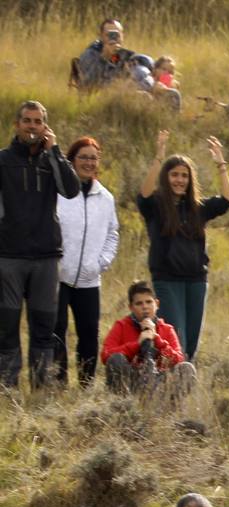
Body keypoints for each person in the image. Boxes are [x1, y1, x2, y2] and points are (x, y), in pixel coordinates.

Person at [0, 102, 82, 390]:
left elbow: (71, 191)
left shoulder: (53, 161)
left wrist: (55, 152)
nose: (32, 126)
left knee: (44, 328)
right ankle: (7, 392)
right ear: (17, 124)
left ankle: (41, 392)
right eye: (27, 121)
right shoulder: (3, 160)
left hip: (46, 257)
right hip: (9, 257)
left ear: (45, 127)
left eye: (38, 121)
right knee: (6, 328)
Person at [136, 130, 229, 360]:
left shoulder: (198, 208)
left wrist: (221, 164)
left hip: (196, 280)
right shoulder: (156, 206)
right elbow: (144, 195)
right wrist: (159, 157)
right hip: (168, 279)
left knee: (191, 341)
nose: (179, 180)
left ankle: (183, 384)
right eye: (174, 175)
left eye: (184, 176)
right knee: (175, 338)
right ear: (165, 177)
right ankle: (169, 385)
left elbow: (228, 200)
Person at [54, 136, 118, 386]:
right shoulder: (59, 193)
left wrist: (101, 262)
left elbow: (113, 233)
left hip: (90, 279)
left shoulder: (106, 198)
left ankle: (86, 385)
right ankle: (58, 384)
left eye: (93, 157)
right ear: (71, 161)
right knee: (57, 332)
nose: (89, 162)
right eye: (83, 157)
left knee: (89, 334)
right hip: (59, 276)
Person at [100, 281, 195, 396]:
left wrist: (157, 340)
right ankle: (123, 405)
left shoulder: (167, 329)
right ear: (131, 307)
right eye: (139, 303)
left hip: (159, 380)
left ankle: (167, 409)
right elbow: (106, 355)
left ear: (157, 304)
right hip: (131, 378)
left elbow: (178, 359)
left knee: (187, 369)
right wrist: (136, 344)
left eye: (149, 302)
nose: (145, 307)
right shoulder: (121, 325)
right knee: (116, 359)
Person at [71, 19, 142, 93]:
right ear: (101, 37)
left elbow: (137, 80)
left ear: (122, 36)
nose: (114, 38)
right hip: (98, 97)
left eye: (117, 34)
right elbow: (86, 85)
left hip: (121, 96)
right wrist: (104, 57)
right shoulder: (90, 54)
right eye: (109, 34)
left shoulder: (127, 56)